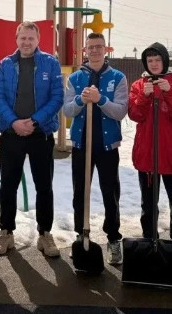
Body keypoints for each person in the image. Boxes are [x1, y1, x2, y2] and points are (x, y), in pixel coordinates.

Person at [0, 21, 64, 257]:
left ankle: (45, 234)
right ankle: (6, 232)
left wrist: (34, 121)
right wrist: (13, 122)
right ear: (16, 39)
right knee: (8, 185)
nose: (26, 42)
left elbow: (57, 97)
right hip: (11, 134)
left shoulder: (50, 63)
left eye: (31, 38)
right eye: (22, 38)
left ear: (38, 40)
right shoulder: (6, 64)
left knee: (44, 186)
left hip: (41, 134)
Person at [63, 33, 128, 265]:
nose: (95, 51)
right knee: (80, 192)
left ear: (106, 49)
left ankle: (113, 238)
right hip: (82, 145)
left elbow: (120, 111)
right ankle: (82, 234)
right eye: (90, 47)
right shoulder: (76, 78)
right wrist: (81, 100)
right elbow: (67, 110)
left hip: (107, 146)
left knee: (110, 192)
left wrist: (100, 99)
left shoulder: (117, 77)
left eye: (99, 47)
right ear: (85, 50)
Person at [127, 43, 172, 255]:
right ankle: (149, 245)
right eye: (150, 60)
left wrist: (170, 93)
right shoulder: (138, 85)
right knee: (148, 205)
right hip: (147, 155)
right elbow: (135, 115)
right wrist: (143, 97)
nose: (154, 64)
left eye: (157, 60)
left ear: (165, 61)